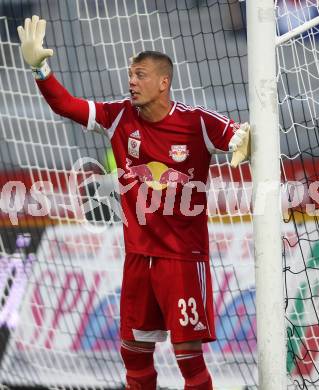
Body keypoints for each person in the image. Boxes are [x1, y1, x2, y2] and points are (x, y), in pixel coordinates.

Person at [17, 15, 250, 390]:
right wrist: (40, 70)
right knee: (134, 355)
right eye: (130, 74)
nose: (131, 81)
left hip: (182, 259)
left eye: (140, 75)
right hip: (139, 257)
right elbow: (67, 106)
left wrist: (244, 142)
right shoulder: (118, 116)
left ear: (164, 82)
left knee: (188, 356)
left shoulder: (196, 122)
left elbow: (241, 136)